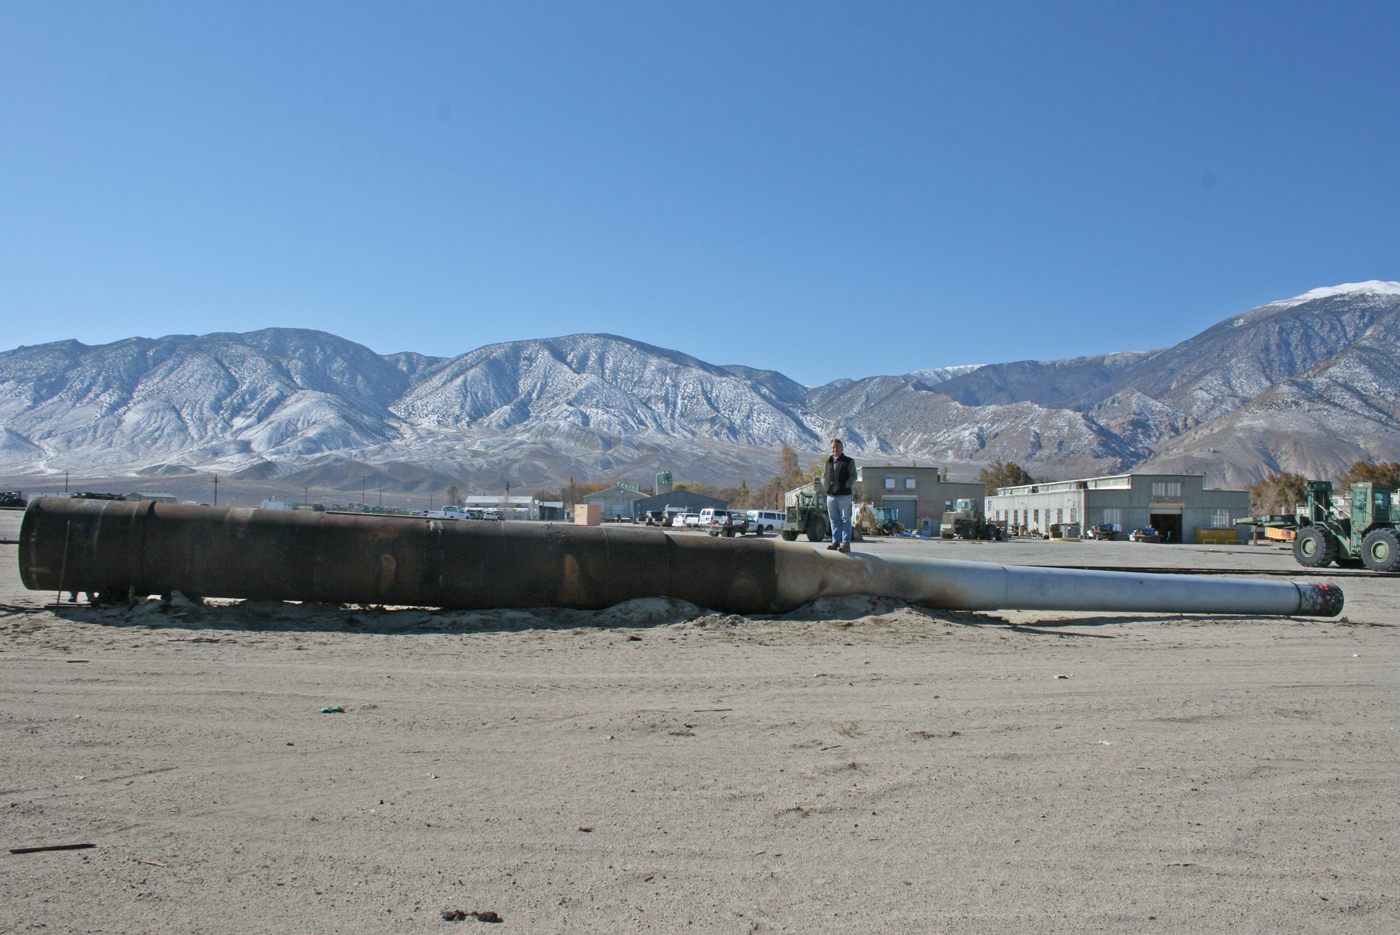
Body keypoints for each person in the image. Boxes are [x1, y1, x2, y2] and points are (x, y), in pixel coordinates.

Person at [822, 438, 856, 552]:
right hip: (830, 496)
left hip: (844, 495)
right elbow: (824, 476)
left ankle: (845, 543)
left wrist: (846, 485)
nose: (834, 449)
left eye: (837, 447)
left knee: (845, 519)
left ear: (842, 448)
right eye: (832, 447)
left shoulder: (848, 461)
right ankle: (835, 541)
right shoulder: (828, 462)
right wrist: (826, 486)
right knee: (833, 519)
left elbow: (853, 476)